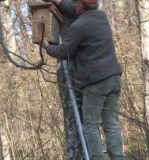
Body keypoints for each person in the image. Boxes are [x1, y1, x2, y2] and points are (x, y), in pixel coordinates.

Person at [41, 0, 125, 159]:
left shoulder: (78, 27)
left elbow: (63, 51)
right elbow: (75, 10)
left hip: (96, 82)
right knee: (111, 123)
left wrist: (46, 46)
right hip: (114, 78)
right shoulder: (101, 16)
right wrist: (58, 2)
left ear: (80, 5)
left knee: (90, 125)